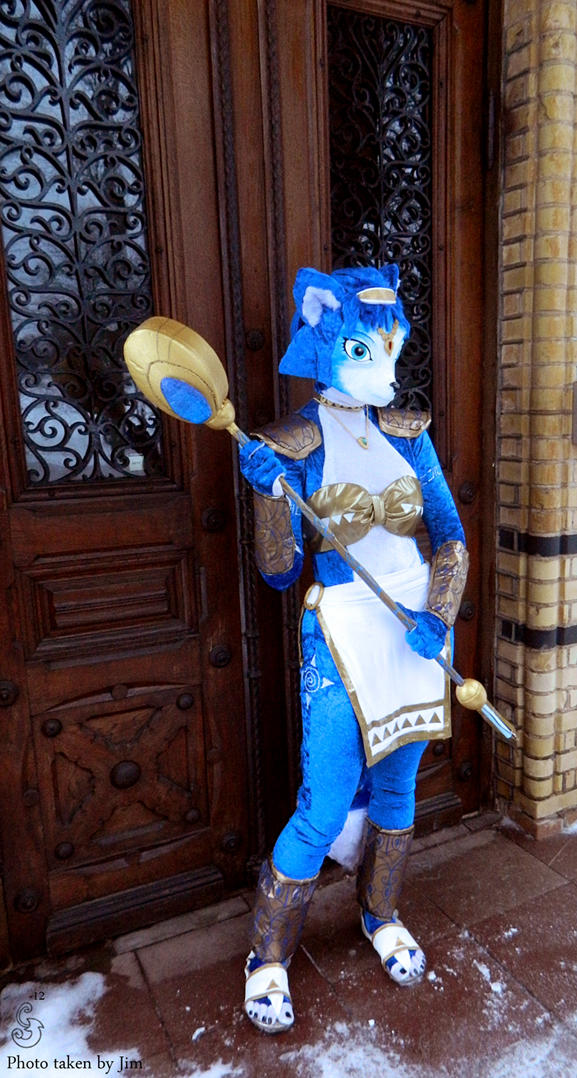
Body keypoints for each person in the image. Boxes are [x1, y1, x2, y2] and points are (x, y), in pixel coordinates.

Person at [238, 264, 469, 1034]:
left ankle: (381, 914)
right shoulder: (290, 444)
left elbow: (449, 538)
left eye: (391, 349)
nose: (386, 370)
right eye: (365, 352)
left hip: (413, 632)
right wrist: (268, 497)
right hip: (339, 634)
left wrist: (438, 615)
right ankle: (267, 956)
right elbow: (278, 572)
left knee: (399, 787)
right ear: (323, 339)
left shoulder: (409, 434)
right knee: (324, 802)